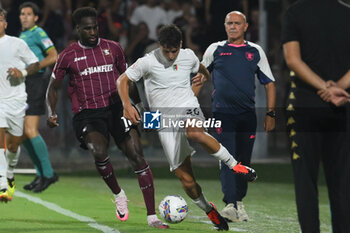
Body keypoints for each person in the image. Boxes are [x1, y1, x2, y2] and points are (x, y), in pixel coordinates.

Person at [117, 24, 257, 231]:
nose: (172, 55)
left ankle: (236, 165)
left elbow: (202, 70)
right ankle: (209, 209)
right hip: (162, 119)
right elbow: (123, 79)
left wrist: (204, 76)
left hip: (187, 106)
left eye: (175, 50)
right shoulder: (147, 61)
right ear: (160, 46)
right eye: (167, 51)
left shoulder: (188, 56)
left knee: (195, 132)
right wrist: (127, 106)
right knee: (187, 181)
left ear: (180, 45)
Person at [46, 7, 168, 229]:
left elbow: (128, 80)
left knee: (137, 156)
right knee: (99, 151)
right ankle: (119, 194)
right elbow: (53, 88)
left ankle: (152, 217)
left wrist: (138, 108)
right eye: (88, 28)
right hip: (88, 114)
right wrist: (51, 112)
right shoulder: (68, 55)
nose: (93, 32)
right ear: (77, 29)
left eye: (95, 27)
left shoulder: (113, 48)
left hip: (116, 109)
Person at [281, 0, 350, 232]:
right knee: (343, 181)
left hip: (304, 105)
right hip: (343, 105)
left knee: (306, 181)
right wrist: (336, 88)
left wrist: (324, 88)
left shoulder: (295, 13)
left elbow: (293, 60)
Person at [201, 11, 276, 222]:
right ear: (225, 26)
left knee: (244, 160)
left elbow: (269, 83)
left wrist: (271, 113)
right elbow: (199, 79)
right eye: (229, 23)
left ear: (245, 27)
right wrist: (187, 108)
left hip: (247, 116)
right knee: (226, 157)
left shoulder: (255, 51)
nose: (233, 26)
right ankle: (230, 204)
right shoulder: (214, 49)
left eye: (237, 23)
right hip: (222, 114)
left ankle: (239, 201)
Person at [18, 2, 59, 193]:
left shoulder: (38, 32)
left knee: (30, 129)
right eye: (22, 14)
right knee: (23, 132)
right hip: (24, 83)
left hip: (35, 81)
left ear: (35, 17)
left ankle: (49, 173)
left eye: (28, 14)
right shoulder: (23, 35)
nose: (24, 17)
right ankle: (41, 173)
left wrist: (35, 66)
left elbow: (54, 56)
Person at [0, 7, 39, 202]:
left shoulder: (17, 43)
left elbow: (35, 64)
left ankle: (10, 173)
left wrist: (22, 73)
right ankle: (1, 184)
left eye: (0, 20)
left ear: (5, 24)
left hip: (15, 100)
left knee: (13, 145)